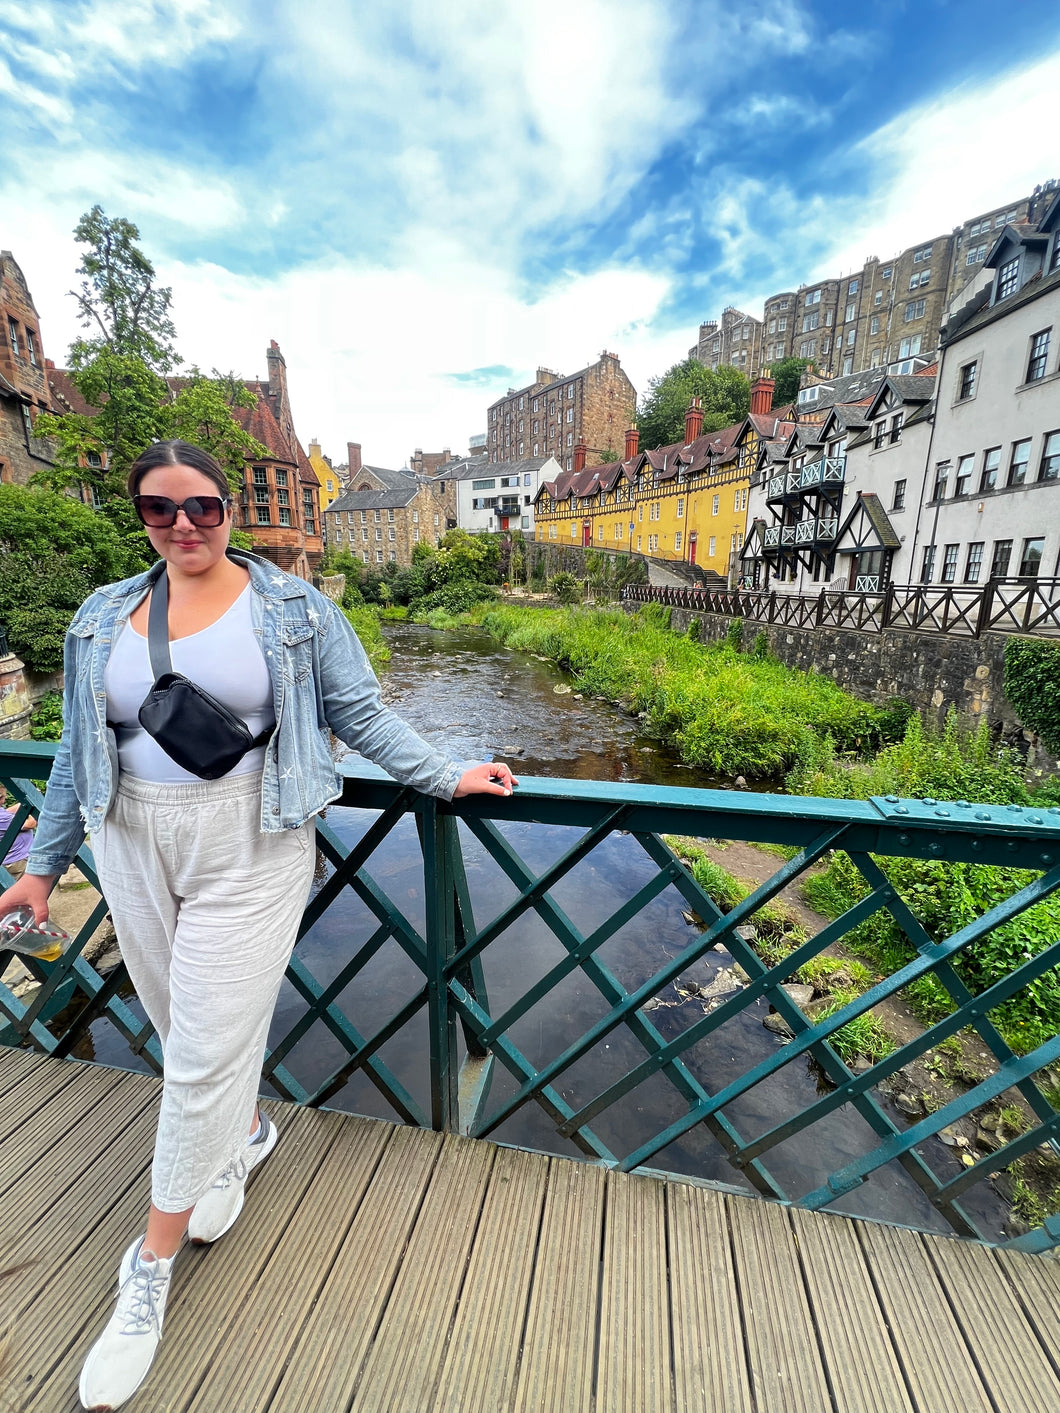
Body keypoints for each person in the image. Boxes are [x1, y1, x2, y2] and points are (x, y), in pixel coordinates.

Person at [0, 440, 517, 1411]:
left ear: (230, 509)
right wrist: (41, 868)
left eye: (202, 507)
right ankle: (245, 1132)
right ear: (141, 517)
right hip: (128, 840)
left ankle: (145, 1271)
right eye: (161, 510)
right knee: (175, 1019)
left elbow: (360, 712)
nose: (184, 525)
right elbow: (76, 746)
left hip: (252, 838)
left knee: (196, 1049)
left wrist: (443, 773)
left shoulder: (292, 607)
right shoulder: (102, 615)